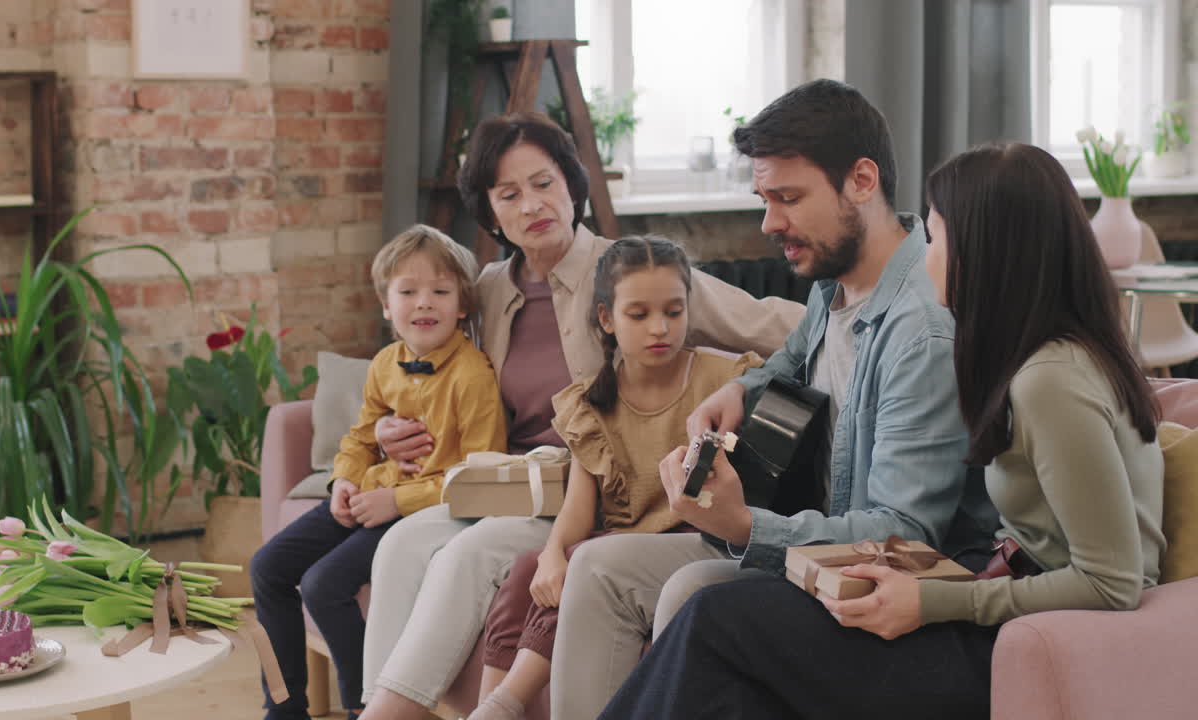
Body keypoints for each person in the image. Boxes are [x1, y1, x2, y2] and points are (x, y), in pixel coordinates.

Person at [597, 141, 1166, 720]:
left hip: (1018, 641)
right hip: (999, 610)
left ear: (988, 254)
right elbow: (793, 353)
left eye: (938, 238)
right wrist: (740, 391)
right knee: (731, 640)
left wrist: (933, 601)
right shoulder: (1036, 357)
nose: (925, 258)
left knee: (717, 617)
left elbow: (1111, 582)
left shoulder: (1051, 382)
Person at [545, 78, 999, 719]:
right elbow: (791, 359)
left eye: (788, 197)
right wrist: (740, 387)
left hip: (882, 577)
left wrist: (745, 527)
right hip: (814, 531)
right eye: (764, 197)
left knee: (692, 593)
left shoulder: (921, 332)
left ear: (862, 181)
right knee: (597, 570)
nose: (769, 223)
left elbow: (905, 534)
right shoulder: (835, 281)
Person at [358, 112, 806, 720]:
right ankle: (373, 709)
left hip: (583, 491)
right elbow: (421, 362)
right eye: (509, 194)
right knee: (402, 544)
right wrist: (387, 426)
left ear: (573, 186)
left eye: (544, 183)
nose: (532, 205)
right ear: (490, 214)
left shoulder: (627, 272)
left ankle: (396, 712)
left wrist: (852, 313)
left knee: (470, 553)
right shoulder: (489, 289)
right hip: (502, 483)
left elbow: (765, 324)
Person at [465, 236, 762, 720]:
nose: (660, 328)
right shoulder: (594, 401)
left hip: (698, 540)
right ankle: (490, 705)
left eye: (673, 310)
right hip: (622, 546)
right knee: (527, 569)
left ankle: (505, 704)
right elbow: (579, 507)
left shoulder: (723, 380)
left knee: (587, 559)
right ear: (607, 319)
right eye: (639, 315)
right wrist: (551, 554)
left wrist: (569, 556)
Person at [250, 224, 508, 720]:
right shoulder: (385, 363)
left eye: (440, 291)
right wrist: (343, 480)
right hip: (367, 495)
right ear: (387, 306)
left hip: (422, 512)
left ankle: (364, 709)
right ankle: (283, 708)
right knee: (266, 568)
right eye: (408, 292)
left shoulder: (473, 376)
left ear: (462, 306)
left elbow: (480, 476)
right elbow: (361, 438)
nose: (424, 303)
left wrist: (396, 502)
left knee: (326, 585)